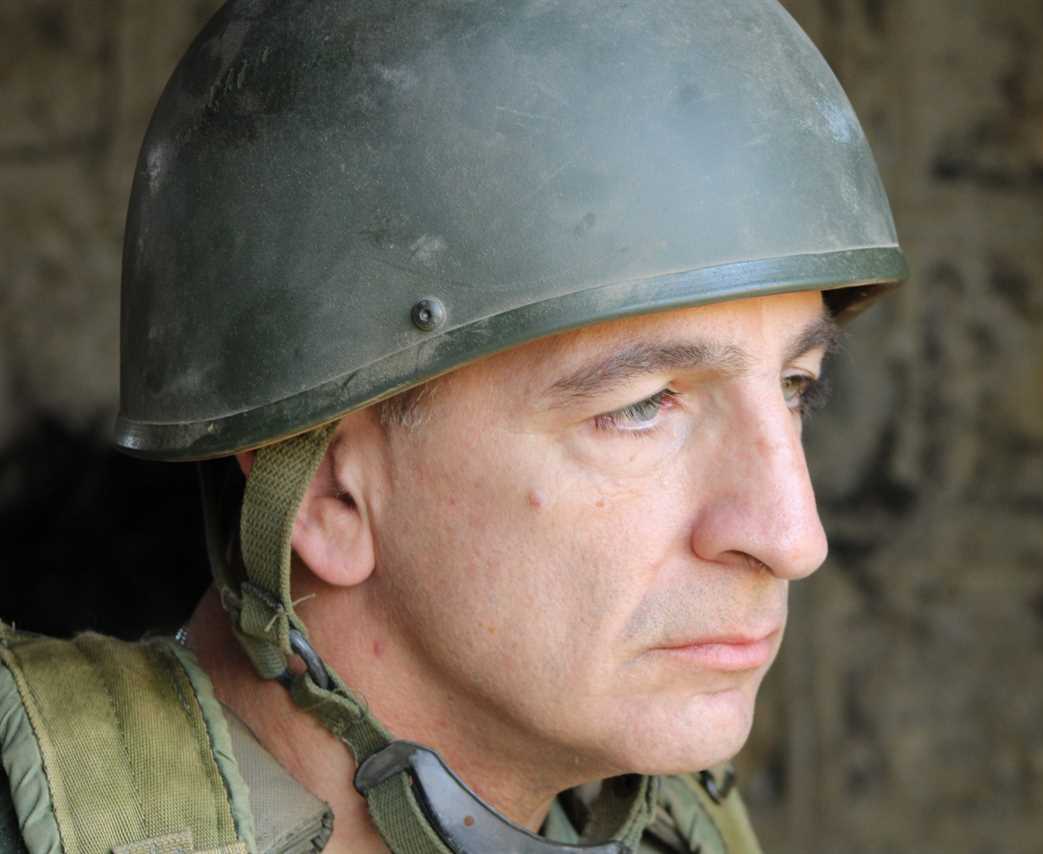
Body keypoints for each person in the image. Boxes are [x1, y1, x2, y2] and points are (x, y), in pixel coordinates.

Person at [0, 1, 906, 852]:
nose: (793, 537)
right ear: (329, 492)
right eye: (643, 405)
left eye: (797, 385)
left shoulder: (690, 826)